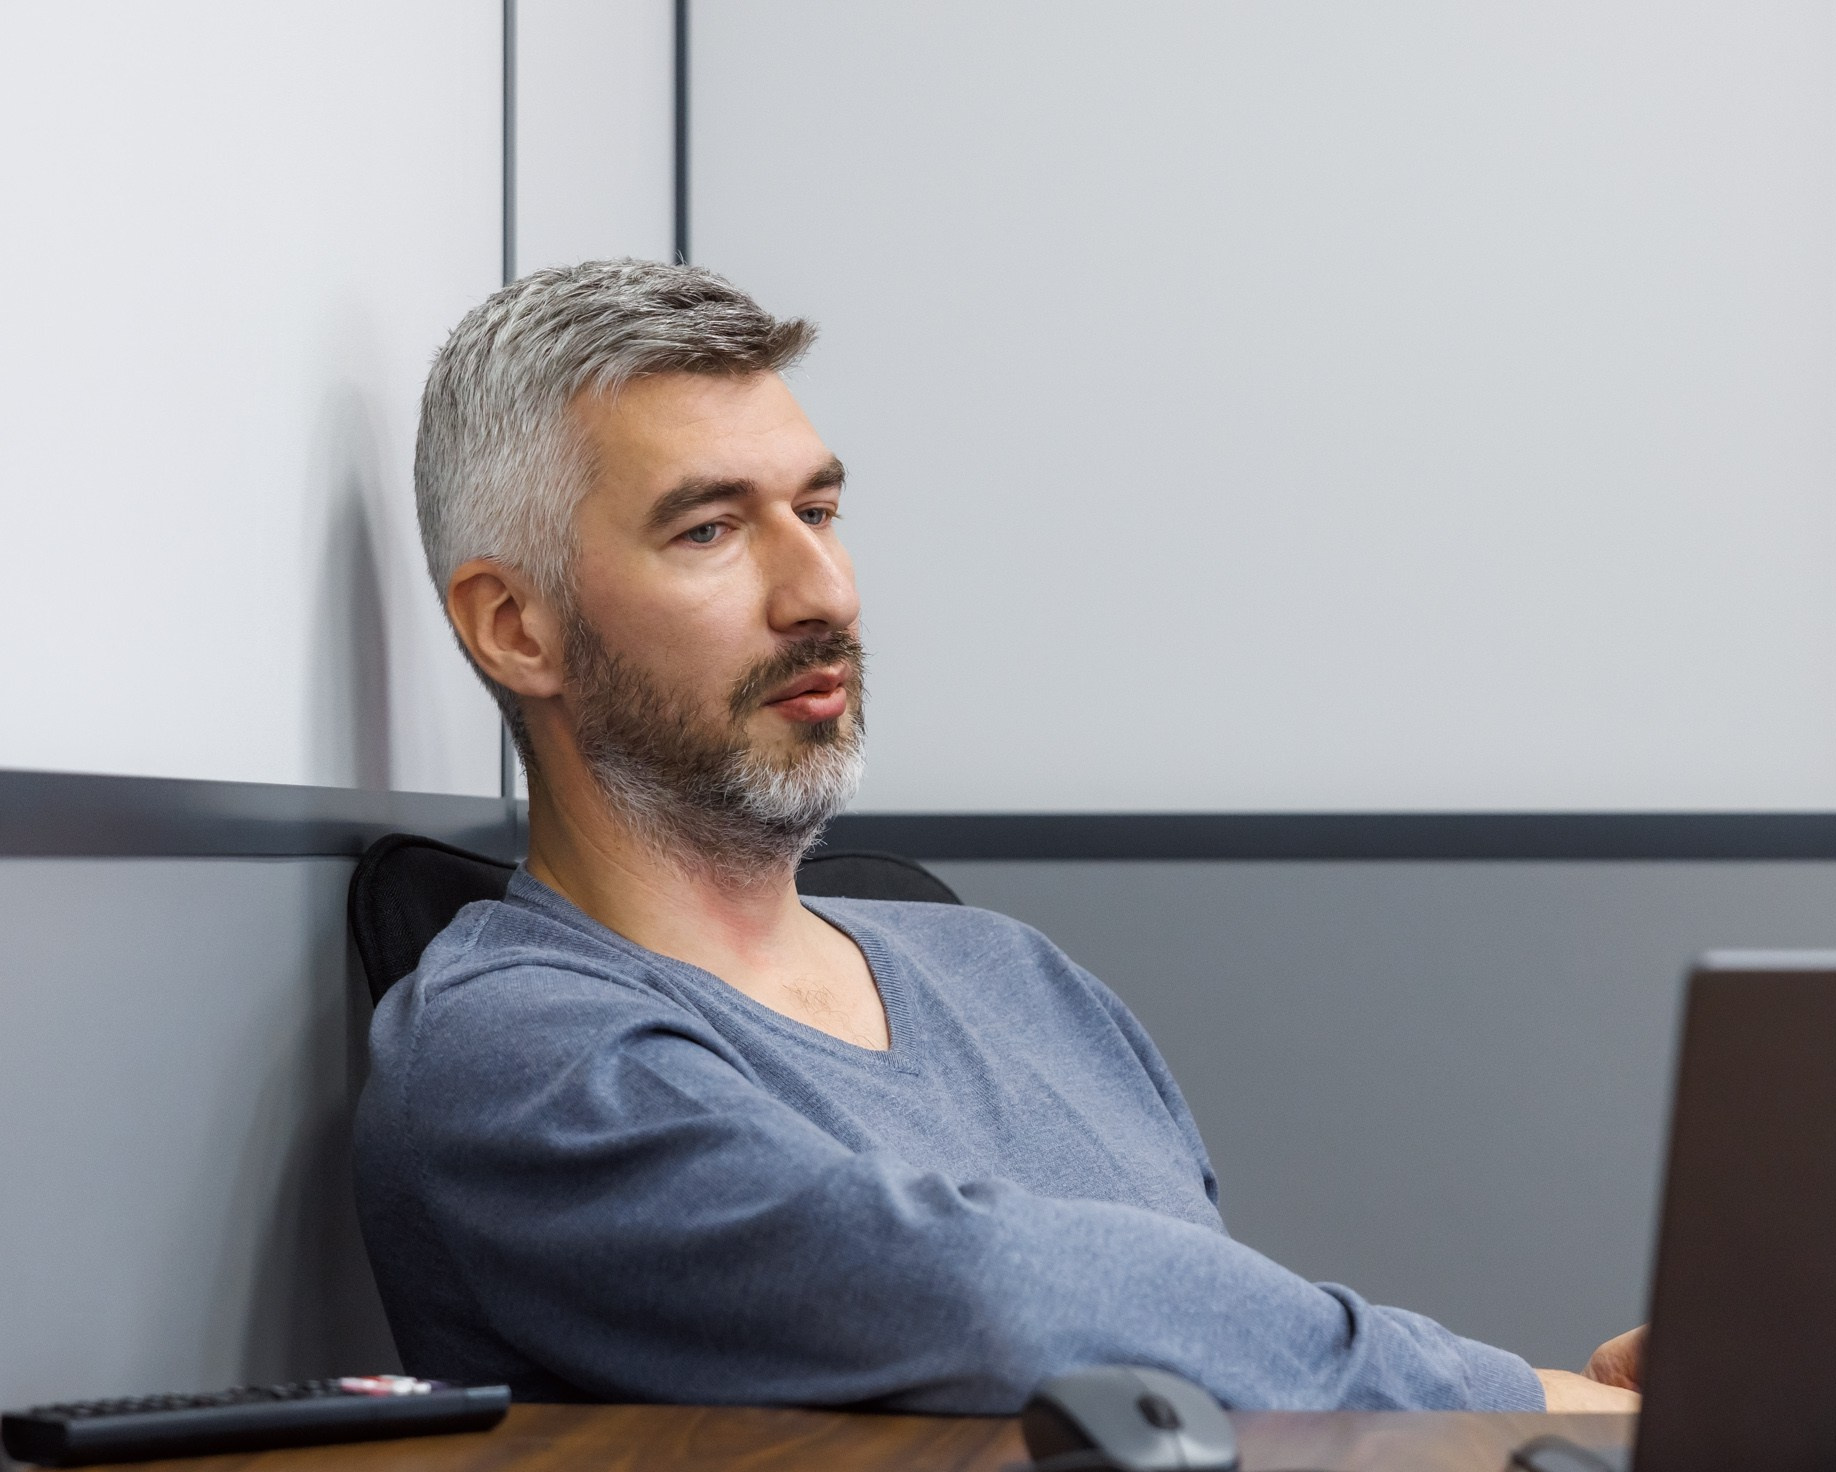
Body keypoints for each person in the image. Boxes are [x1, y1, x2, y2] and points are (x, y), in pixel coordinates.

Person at [355, 259, 1643, 1413]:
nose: (824, 592)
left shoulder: (1011, 976)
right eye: (709, 529)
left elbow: (1225, 1364)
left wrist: (1579, 1416)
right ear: (516, 628)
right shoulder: (511, 1052)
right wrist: (1521, 1407)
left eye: (819, 510)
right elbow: (1002, 1301)